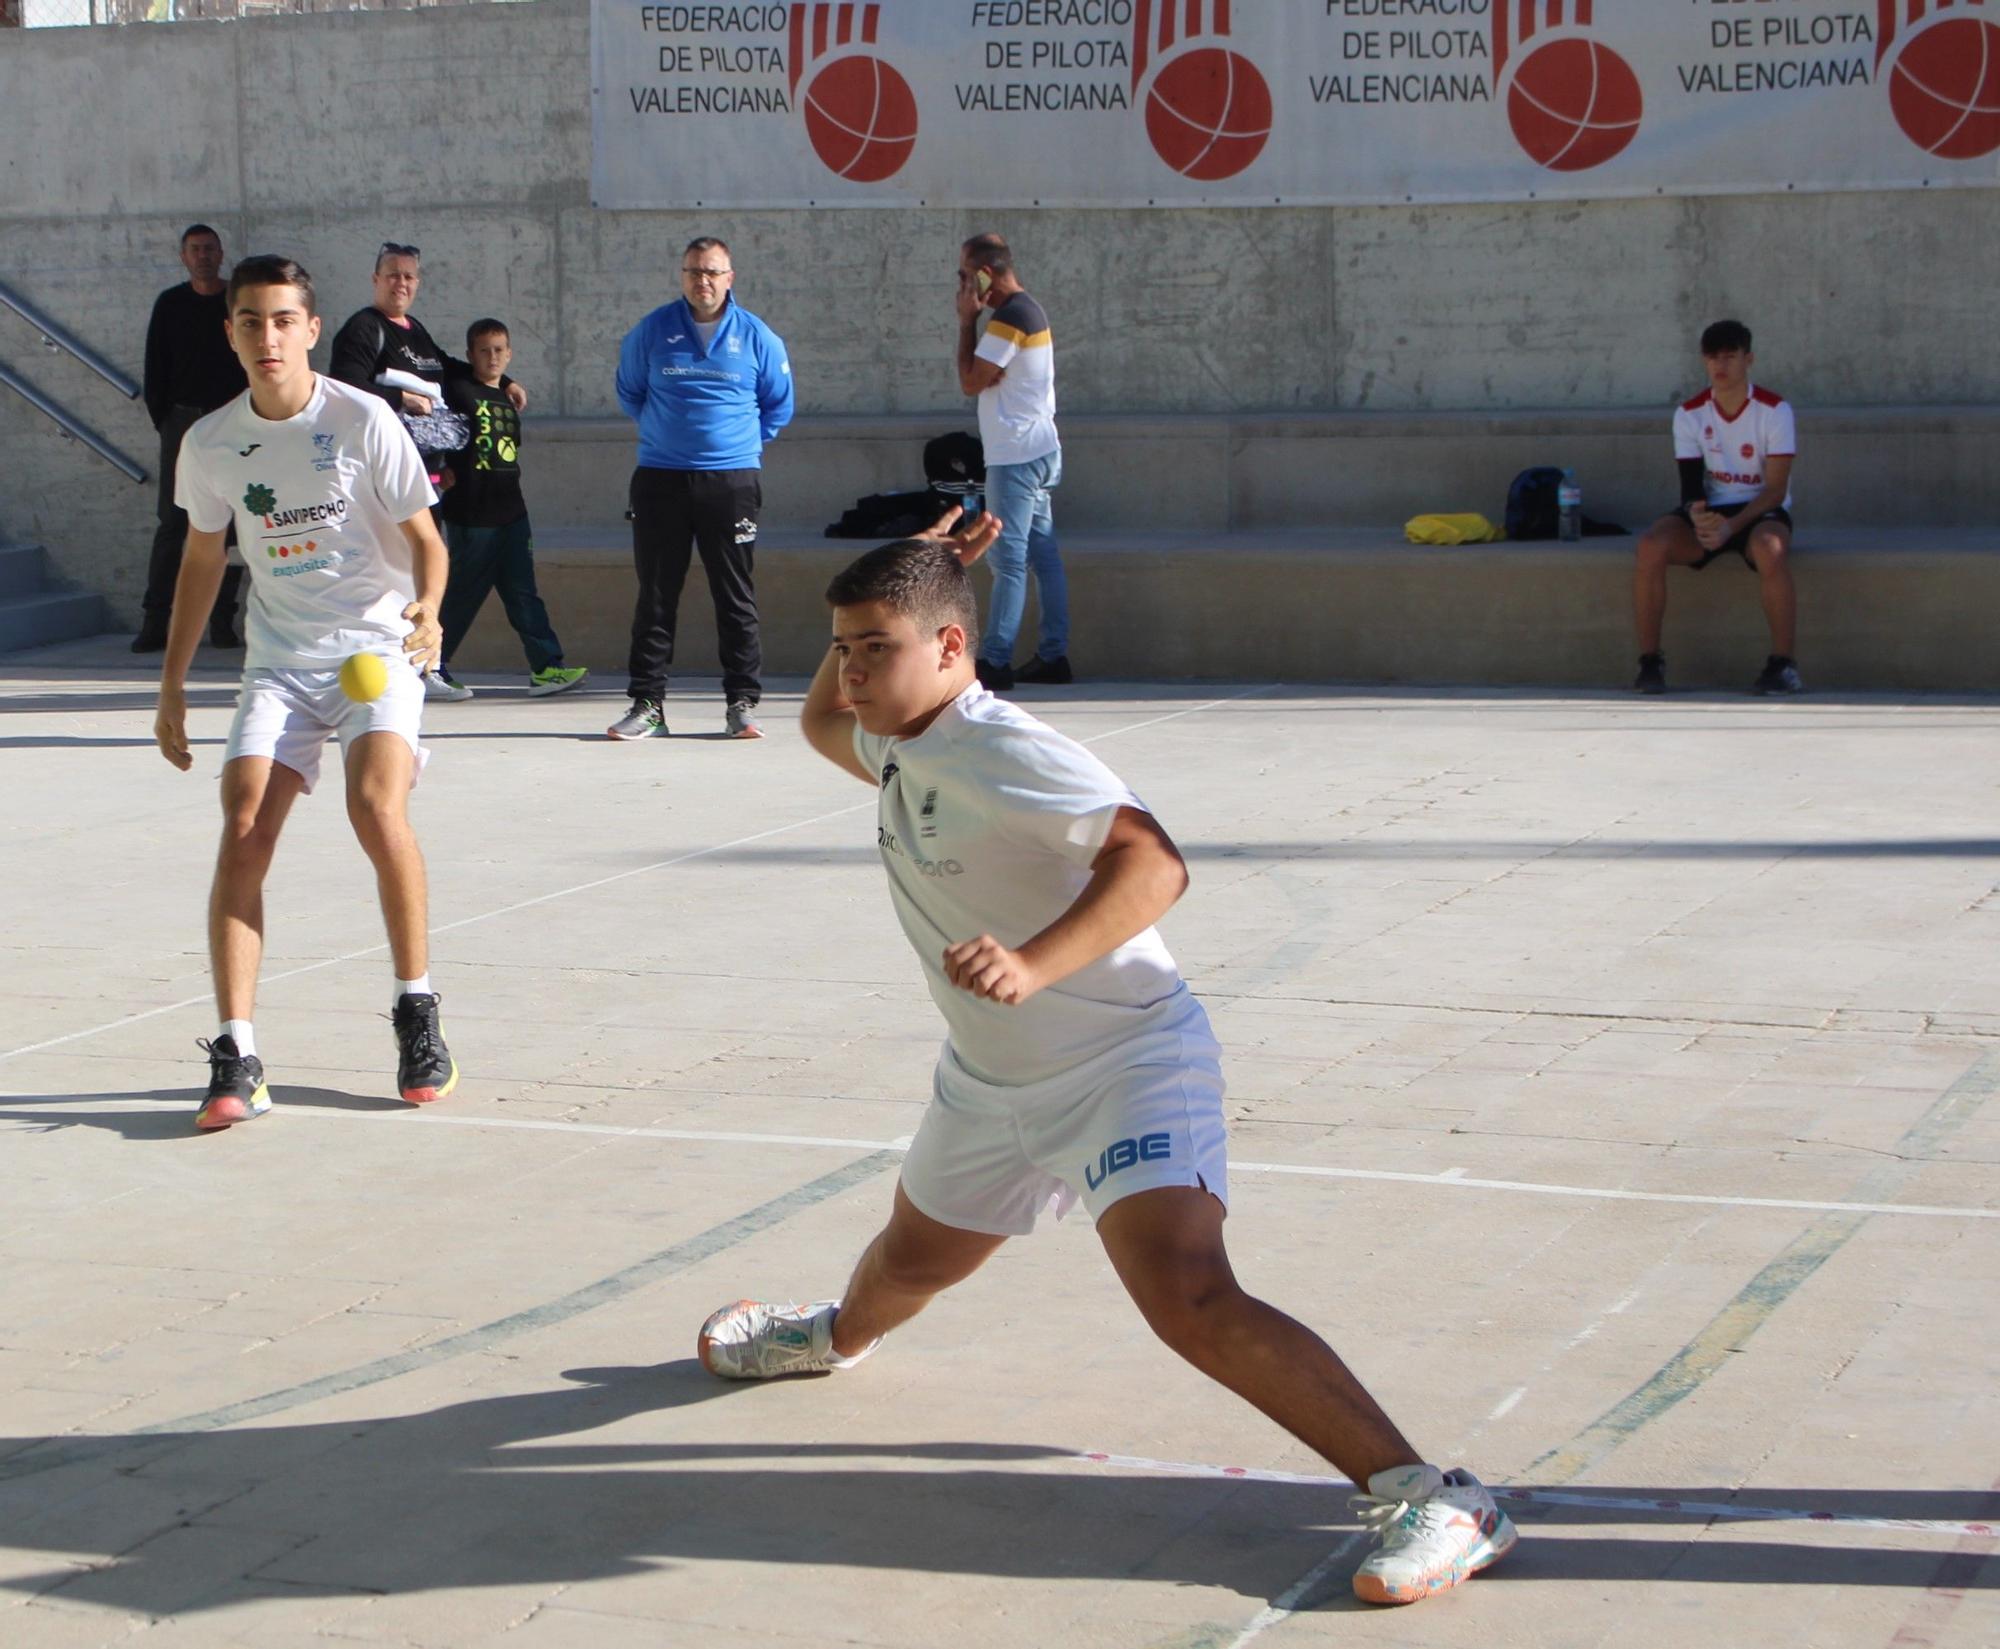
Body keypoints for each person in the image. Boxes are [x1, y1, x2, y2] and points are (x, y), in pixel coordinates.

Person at [695, 515, 1516, 1608]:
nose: (849, 670)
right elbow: (814, 722)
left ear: (951, 649)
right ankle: (829, 1337)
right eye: (842, 644)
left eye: (873, 647)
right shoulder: (895, 731)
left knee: (1186, 1295)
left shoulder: (1005, 749)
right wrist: (895, 600)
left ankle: (1438, 1494)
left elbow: (1153, 863)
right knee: (908, 1260)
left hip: (1123, 1059)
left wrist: (1034, 964)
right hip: (990, 1078)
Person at [152, 255, 459, 1131]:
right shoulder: (210, 442)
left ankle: (416, 1008)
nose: (267, 336)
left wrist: (429, 609)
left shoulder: (363, 421)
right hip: (279, 659)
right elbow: (202, 561)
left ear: (311, 328)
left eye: (283, 319)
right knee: (244, 823)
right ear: (232, 333)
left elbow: (428, 544)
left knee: (375, 804)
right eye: (250, 321)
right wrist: (172, 684)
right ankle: (237, 1053)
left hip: (377, 647)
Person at [608, 236, 793, 741]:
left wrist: (735, 449)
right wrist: (671, 438)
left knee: (734, 595)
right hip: (660, 479)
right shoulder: (652, 331)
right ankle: (648, 705)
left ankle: (742, 704)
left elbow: (779, 406)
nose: (702, 281)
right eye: (693, 272)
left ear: (730, 278)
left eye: (712, 272)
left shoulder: (757, 336)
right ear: (682, 276)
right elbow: (630, 391)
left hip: (730, 484)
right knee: (656, 594)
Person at [1633, 319, 1801, 695]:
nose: (1721, 366)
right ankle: (1649, 663)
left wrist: (1733, 525)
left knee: (1769, 549)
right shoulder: (1689, 413)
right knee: (1650, 546)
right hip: (1715, 511)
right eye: (1712, 358)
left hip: (1759, 511)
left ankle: (1783, 665)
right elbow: (1690, 486)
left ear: (1749, 359)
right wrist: (1698, 514)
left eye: (1730, 356)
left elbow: (1775, 490)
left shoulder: (1775, 410)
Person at [429, 318, 587, 702]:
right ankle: (429, 665)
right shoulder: (458, 387)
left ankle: (546, 666)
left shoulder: (506, 395)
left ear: (510, 353)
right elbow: (438, 380)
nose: (492, 357)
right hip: (472, 514)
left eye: (499, 350)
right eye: (483, 350)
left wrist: (510, 381)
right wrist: (439, 466)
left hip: (513, 514)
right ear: (470, 355)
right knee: (462, 595)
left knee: (523, 592)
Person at [956, 232, 1070, 692]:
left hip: (1016, 459)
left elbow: (969, 381)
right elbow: (985, 377)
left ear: (986, 274)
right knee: (1043, 558)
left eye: (965, 274)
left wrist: (967, 322)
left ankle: (996, 662)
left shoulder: (1007, 321)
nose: (961, 284)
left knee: (1008, 562)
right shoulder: (1027, 312)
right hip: (1038, 449)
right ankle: (1053, 656)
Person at [134, 224, 247, 654]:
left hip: (233, 423)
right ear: (184, 257)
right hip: (182, 424)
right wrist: (166, 420)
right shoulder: (170, 304)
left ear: (221, 254)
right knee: (174, 522)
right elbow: (154, 366)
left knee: (232, 523)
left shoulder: (234, 302)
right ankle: (154, 622)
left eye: (210, 249)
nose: (203, 256)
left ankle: (222, 621)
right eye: (195, 250)